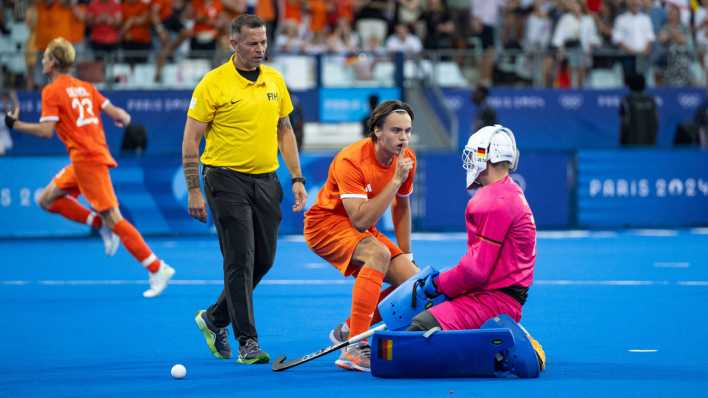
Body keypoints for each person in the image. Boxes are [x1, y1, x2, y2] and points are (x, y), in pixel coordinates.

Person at [4, 37, 175, 298]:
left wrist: (15, 125)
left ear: (54, 62)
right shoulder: (86, 87)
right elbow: (118, 114)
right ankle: (99, 224)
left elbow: (45, 131)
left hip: (87, 160)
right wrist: (125, 118)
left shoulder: (51, 91)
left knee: (115, 218)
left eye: (46, 57)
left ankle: (156, 267)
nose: (42, 61)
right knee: (46, 199)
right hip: (84, 159)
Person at [182, 14, 307, 365]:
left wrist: (296, 178)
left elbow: (285, 130)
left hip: (267, 180)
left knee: (264, 260)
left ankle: (214, 318)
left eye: (264, 42)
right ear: (233, 43)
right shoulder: (213, 83)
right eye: (252, 43)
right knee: (239, 259)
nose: (260, 49)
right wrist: (194, 189)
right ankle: (247, 342)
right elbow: (191, 138)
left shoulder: (275, 80)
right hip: (224, 180)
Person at [407, 124, 545, 367]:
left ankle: (501, 344)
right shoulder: (510, 191)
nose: (470, 161)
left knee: (417, 330)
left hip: (493, 300)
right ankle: (493, 342)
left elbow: (475, 271)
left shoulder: (492, 200)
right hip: (500, 297)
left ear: (488, 156)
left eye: (474, 154)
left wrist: (438, 284)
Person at [304, 100, 420, 372]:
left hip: (362, 226)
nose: (403, 138)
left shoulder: (407, 159)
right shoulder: (351, 159)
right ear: (377, 131)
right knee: (377, 254)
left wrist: (407, 254)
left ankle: (348, 329)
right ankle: (354, 348)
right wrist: (394, 181)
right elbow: (360, 220)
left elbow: (401, 205)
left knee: (415, 282)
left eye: (407, 131)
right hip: (326, 225)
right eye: (396, 130)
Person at [619, 73, 658, 146]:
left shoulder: (626, 101)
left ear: (629, 86)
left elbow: (624, 123)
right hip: (650, 145)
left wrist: (622, 143)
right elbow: (656, 122)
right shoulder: (652, 101)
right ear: (644, 86)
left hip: (631, 146)